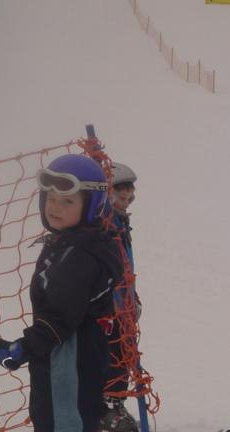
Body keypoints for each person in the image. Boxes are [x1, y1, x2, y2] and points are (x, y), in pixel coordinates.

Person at [0, 154, 123, 432]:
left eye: (68, 201)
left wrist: (23, 349)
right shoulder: (75, 242)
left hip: (68, 361)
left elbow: (61, 318)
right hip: (68, 357)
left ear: (91, 205)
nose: (55, 207)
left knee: (63, 423)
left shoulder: (79, 256)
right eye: (50, 199)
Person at [99, 162, 141, 432]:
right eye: (119, 197)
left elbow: (127, 268)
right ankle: (106, 407)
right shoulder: (104, 224)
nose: (124, 203)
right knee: (112, 354)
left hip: (123, 303)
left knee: (125, 353)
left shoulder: (121, 222)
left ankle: (116, 402)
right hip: (108, 306)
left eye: (129, 199)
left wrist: (133, 298)